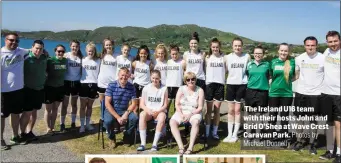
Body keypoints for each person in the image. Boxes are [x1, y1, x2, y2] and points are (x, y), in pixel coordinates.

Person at [291, 36, 324, 155]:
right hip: (301, 93)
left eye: (313, 45)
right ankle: (299, 141)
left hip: (316, 94)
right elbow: (296, 74)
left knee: (312, 120)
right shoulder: (299, 58)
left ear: (316, 45)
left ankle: (312, 144)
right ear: (304, 46)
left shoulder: (323, 58)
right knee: (299, 119)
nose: (310, 47)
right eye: (308, 45)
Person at [1, 32, 29, 149]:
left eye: (17, 41)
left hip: (18, 89)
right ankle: (1, 139)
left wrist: (45, 52)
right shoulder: (1, 54)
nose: (14, 43)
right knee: (2, 116)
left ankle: (15, 136)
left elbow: (31, 50)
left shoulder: (20, 51)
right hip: (3, 91)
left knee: (16, 114)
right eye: (11, 40)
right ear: (5, 40)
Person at [169, 72, 205, 155]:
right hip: (181, 111)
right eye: (188, 79)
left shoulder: (200, 90)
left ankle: (190, 147)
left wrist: (189, 115)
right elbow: (177, 104)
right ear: (185, 81)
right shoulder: (181, 89)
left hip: (194, 112)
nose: (190, 81)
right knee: (172, 122)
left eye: (193, 79)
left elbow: (200, 107)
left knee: (195, 122)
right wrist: (181, 115)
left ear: (195, 80)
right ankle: (181, 147)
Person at [223, 37, 251, 143]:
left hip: (241, 85)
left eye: (239, 45)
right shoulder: (227, 57)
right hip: (230, 84)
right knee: (230, 110)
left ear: (242, 46)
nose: (237, 47)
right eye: (235, 45)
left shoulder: (246, 56)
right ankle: (229, 134)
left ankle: (235, 135)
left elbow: (249, 71)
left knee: (238, 111)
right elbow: (225, 71)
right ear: (232, 46)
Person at [319, 31, 340, 163]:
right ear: (327, 42)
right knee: (329, 124)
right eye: (330, 41)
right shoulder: (326, 52)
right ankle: (330, 150)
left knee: (339, 124)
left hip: (339, 94)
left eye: (335, 41)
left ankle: (339, 153)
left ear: (340, 40)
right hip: (326, 93)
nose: (333, 44)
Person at [20, 40, 48, 142]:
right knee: (26, 113)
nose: (38, 50)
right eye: (36, 48)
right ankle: (22, 134)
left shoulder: (44, 57)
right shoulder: (26, 58)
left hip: (39, 89)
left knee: (34, 112)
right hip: (28, 90)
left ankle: (29, 132)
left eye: (40, 49)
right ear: (32, 47)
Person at [267, 43, 295, 144]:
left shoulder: (291, 62)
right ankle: (271, 137)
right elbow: (270, 75)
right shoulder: (273, 62)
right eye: (282, 50)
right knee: (272, 116)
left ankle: (283, 138)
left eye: (285, 51)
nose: (283, 52)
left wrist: (287, 83)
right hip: (274, 94)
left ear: (288, 52)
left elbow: (295, 76)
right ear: (278, 51)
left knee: (284, 117)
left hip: (287, 94)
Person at [103, 67, 138, 148]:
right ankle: (112, 138)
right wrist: (118, 117)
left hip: (125, 110)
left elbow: (134, 103)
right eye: (122, 75)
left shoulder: (131, 86)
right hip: (111, 109)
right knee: (108, 121)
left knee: (134, 118)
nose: (124, 77)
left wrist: (126, 114)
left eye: (126, 76)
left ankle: (127, 136)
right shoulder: (111, 85)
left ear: (129, 76)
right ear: (118, 75)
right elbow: (107, 104)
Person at [137, 70, 168, 151]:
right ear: (150, 78)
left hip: (159, 111)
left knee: (162, 117)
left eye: (157, 78)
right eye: (153, 78)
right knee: (142, 115)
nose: (155, 80)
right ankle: (143, 143)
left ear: (160, 78)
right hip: (149, 111)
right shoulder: (146, 88)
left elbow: (165, 105)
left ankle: (154, 144)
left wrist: (158, 111)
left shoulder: (164, 88)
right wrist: (148, 110)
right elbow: (142, 104)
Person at [244, 45, 270, 141]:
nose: (258, 55)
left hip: (262, 93)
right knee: (250, 115)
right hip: (250, 91)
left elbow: (270, 76)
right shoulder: (249, 64)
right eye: (256, 53)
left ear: (263, 54)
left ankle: (258, 136)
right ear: (253, 54)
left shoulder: (267, 65)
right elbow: (247, 75)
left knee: (258, 115)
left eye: (260, 53)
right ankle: (248, 135)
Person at [204, 38, 227, 140]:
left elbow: (226, 70)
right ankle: (207, 132)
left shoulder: (224, 58)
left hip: (220, 85)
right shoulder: (207, 57)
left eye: (217, 47)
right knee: (209, 111)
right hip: (209, 85)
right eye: (213, 47)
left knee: (217, 110)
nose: (215, 48)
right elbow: (204, 70)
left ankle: (214, 132)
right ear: (211, 47)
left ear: (220, 47)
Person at [44, 45, 68, 135]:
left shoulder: (65, 61)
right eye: (59, 51)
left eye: (62, 51)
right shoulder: (50, 60)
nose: (60, 53)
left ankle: (52, 127)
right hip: (50, 87)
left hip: (60, 88)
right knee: (48, 109)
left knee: (55, 108)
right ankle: (48, 128)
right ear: (55, 51)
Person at [60, 40, 83, 132]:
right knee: (64, 105)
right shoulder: (66, 55)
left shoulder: (81, 58)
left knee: (74, 104)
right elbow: (57, 60)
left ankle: (73, 122)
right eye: (73, 46)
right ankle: (62, 123)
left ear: (79, 47)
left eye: (76, 46)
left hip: (76, 83)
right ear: (70, 46)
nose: (75, 48)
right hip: (66, 83)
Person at [79, 42, 101, 133]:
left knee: (90, 106)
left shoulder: (98, 60)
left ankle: (87, 124)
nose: (90, 53)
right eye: (89, 51)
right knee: (82, 106)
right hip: (84, 84)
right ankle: (82, 125)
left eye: (92, 51)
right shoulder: (83, 60)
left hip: (94, 84)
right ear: (86, 51)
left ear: (94, 51)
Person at [97, 38, 117, 124]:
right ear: (104, 46)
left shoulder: (117, 56)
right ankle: (103, 120)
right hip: (102, 83)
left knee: (111, 104)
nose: (108, 46)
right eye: (106, 45)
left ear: (112, 45)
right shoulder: (101, 56)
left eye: (110, 44)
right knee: (102, 104)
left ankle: (111, 121)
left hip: (112, 84)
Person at [132, 45, 154, 111]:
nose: (143, 55)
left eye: (145, 53)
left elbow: (151, 74)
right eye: (141, 53)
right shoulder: (135, 63)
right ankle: (135, 120)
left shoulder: (150, 63)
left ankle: (141, 120)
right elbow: (132, 72)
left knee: (142, 106)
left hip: (145, 86)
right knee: (135, 106)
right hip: (136, 85)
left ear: (147, 54)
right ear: (139, 54)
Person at [166, 44, 184, 112]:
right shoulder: (168, 62)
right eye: (173, 54)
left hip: (179, 86)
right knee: (167, 104)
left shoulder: (182, 62)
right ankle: (166, 118)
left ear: (179, 53)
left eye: (176, 54)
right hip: (169, 85)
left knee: (177, 104)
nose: (174, 56)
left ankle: (176, 119)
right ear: (170, 54)